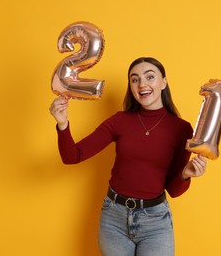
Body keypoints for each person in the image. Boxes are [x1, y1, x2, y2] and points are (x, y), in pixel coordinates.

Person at [49, 57, 207, 256]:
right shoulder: (119, 121)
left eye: (150, 77)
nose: (142, 84)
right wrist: (62, 125)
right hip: (113, 219)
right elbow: (73, 156)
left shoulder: (181, 129)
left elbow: (173, 190)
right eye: (135, 79)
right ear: (131, 87)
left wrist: (186, 173)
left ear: (163, 83)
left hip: (155, 222)